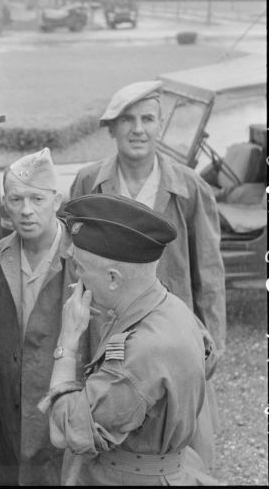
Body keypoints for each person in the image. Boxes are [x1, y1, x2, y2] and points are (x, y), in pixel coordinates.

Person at [69, 80, 225, 467]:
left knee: (180, 449)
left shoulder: (189, 187)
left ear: (159, 126)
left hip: (171, 340)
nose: (137, 129)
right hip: (105, 338)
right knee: (102, 440)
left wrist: (213, 343)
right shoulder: (89, 183)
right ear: (111, 127)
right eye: (127, 120)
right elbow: (73, 266)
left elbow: (209, 273)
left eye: (147, 119)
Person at [38, 193, 218, 486]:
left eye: (81, 270)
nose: (77, 280)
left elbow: (63, 433)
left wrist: (67, 343)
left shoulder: (139, 352)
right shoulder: (170, 307)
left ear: (113, 279)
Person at [0, 148, 84, 486]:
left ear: (57, 200)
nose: (26, 210)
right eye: (16, 199)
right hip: (6, 413)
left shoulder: (81, 261)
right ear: (5, 203)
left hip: (61, 414)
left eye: (37, 198)